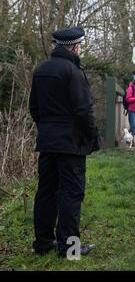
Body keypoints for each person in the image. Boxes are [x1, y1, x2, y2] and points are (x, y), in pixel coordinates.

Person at [29, 27, 99, 258]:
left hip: (48, 141)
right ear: (75, 47)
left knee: (46, 191)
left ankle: (42, 243)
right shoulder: (73, 71)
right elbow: (82, 110)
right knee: (71, 193)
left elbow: (34, 109)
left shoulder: (41, 70)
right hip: (70, 143)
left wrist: (48, 128)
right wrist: (91, 136)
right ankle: (69, 247)